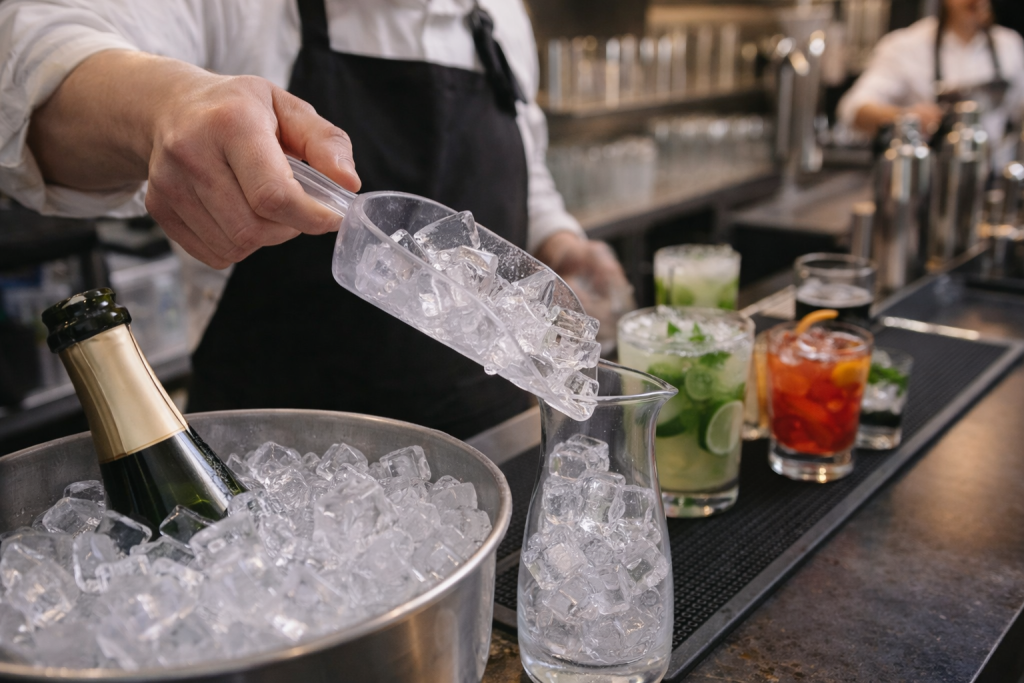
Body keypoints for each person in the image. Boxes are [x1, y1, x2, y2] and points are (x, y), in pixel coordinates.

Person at [0, 0, 629, 439]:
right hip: (281, 459)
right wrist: (161, 104)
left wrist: (559, 236)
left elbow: (527, 157)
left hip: (488, 435)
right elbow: (34, 52)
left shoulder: (499, 15)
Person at [837, 0, 1024, 148]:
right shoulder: (905, 46)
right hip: (924, 176)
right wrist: (905, 117)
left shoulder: (1010, 45)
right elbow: (851, 109)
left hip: (989, 176)